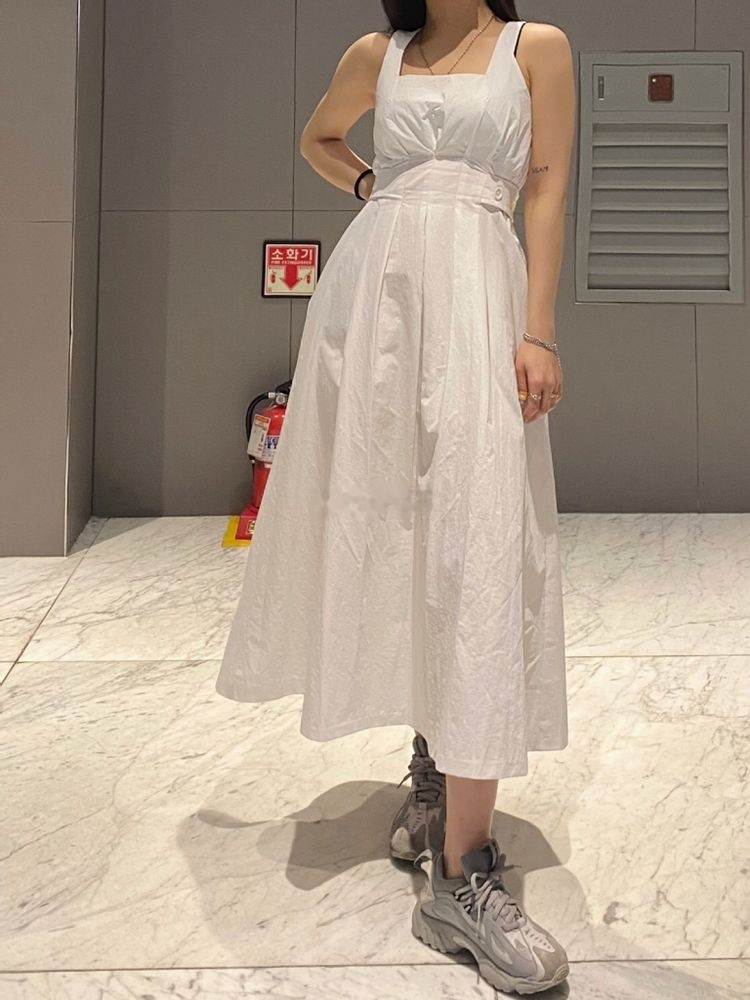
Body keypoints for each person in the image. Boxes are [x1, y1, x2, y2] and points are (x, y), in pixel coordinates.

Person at [216, 0, 575, 992]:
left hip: (480, 297)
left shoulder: (535, 49)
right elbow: (320, 140)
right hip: (373, 305)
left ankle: (462, 875)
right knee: (391, 532)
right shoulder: (377, 53)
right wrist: (376, 183)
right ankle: (434, 769)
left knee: (478, 537)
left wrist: (539, 328)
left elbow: (546, 184)